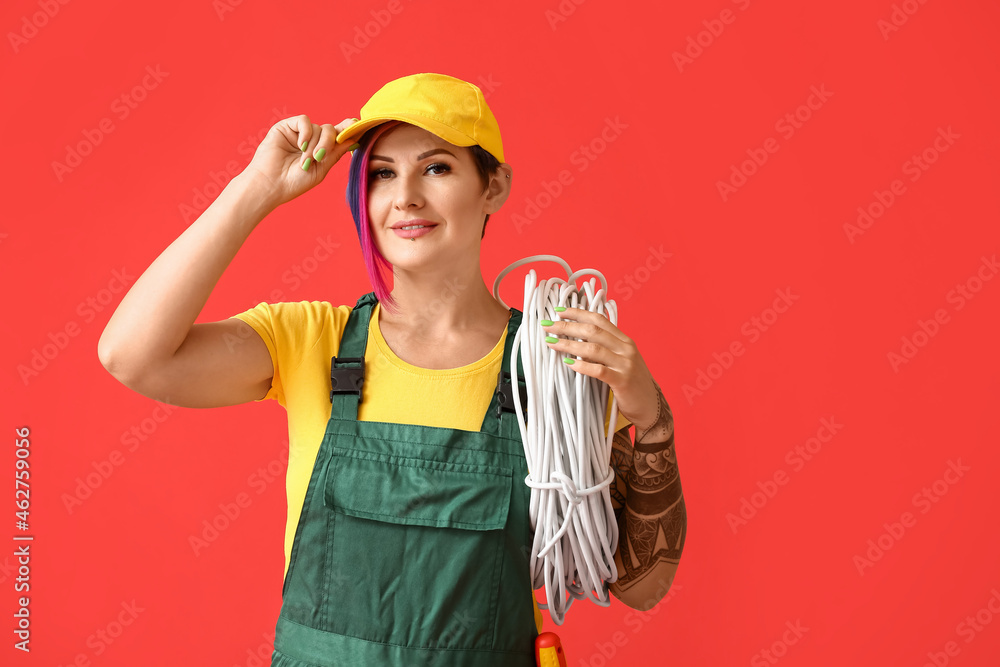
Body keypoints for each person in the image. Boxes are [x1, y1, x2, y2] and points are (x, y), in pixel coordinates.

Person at [98, 72, 686, 666]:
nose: (405, 196)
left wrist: (651, 417)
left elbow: (642, 586)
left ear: (494, 186)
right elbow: (133, 357)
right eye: (382, 174)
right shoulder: (311, 341)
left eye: (436, 168)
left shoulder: (557, 370)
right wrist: (256, 188)